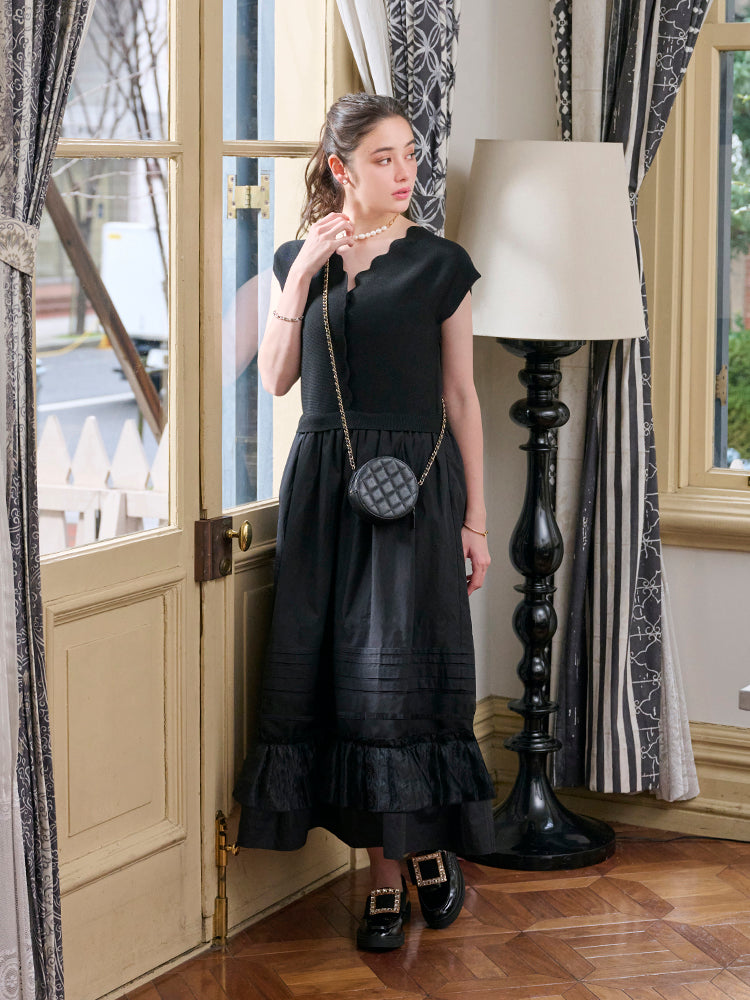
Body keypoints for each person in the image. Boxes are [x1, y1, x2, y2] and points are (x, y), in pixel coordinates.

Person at [233, 92, 495, 952]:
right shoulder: (295, 258)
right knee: (341, 684)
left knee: (400, 684)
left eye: (410, 154)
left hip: (416, 489)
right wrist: (303, 271)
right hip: (324, 491)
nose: (406, 171)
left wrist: (476, 520)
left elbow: (461, 395)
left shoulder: (441, 263)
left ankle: (414, 859)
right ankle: (391, 871)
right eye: (385, 158)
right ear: (340, 169)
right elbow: (276, 379)